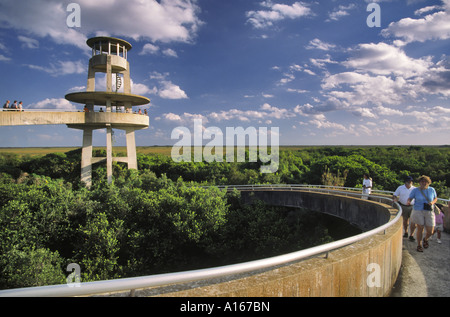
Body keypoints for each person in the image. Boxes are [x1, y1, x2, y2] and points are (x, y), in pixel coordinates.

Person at [407, 175, 437, 252]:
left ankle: (425, 239)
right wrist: (409, 201)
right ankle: (419, 245)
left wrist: (432, 202)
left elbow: (435, 198)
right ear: (419, 182)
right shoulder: (415, 190)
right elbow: (410, 197)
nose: (423, 183)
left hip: (429, 210)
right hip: (418, 210)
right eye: (422, 181)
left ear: (428, 182)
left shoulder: (432, 189)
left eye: (425, 181)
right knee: (420, 228)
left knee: (431, 231)